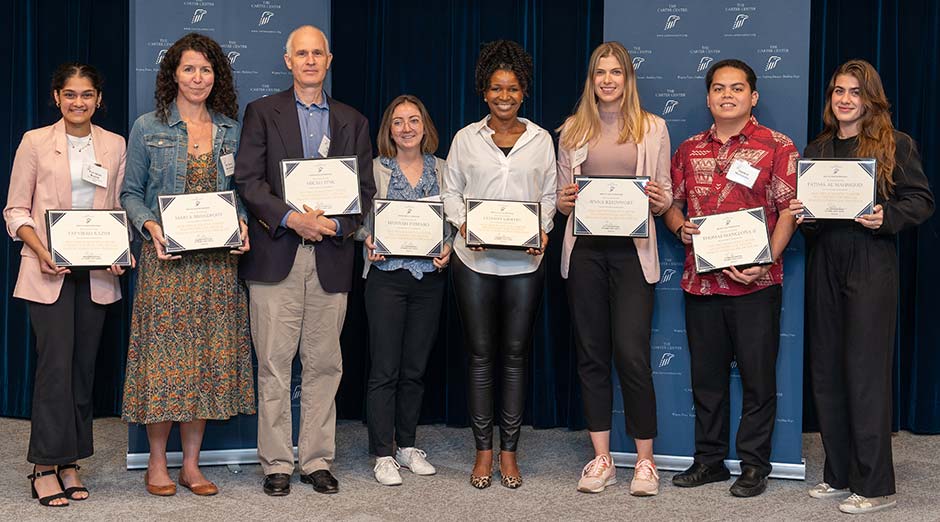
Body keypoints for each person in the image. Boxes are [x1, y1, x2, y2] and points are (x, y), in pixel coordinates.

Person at [233, 25, 375, 497]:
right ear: (288, 60)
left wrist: (335, 226)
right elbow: (249, 182)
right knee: (273, 363)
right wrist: (294, 219)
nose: (310, 60)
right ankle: (276, 462)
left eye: (318, 53)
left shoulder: (352, 119)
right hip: (278, 256)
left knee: (324, 365)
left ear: (328, 60)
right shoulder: (261, 113)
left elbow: (365, 192)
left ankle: (316, 459)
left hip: (331, 258)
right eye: (302, 54)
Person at [791, 59, 933, 515]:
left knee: (866, 375)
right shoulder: (819, 147)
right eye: (838, 91)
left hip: (871, 260)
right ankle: (839, 474)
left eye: (854, 92)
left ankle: (875, 485)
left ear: (871, 99)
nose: (844, 99)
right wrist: (804, 217)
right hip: (826, 261)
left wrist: (886, 217)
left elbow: (920, 200)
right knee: (827, 371)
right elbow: (812, 219)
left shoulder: (895, 145)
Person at [120, 32, 254, 497]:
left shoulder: (232, 130)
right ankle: (157, 462)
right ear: (173, 75)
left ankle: (191, 466)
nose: (198, 78)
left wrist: (241, 224)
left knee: (204, 365)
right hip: (166, 264)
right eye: (189, 69)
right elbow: (129, 195)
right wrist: (151, 227)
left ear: (217, 77)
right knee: (164, 365)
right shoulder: (147, 128)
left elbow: (242, 195)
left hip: (216, 270)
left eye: (206, 69)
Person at [662, 59, 799, 497]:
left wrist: (767, 259)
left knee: (759, 380)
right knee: (706, 380)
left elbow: (789, 212)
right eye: (719, 88)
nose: (727, 95)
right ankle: (709, 461)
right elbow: (670, 204)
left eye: (737, 88)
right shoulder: (687, 149)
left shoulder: (777, 146)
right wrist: (678, 225)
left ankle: (755, 466)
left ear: (753, 96)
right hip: (700, 285)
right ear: (707, 98)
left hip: (757, 285)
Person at [4, 63, 128, 507]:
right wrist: (42, 251)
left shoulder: (114, 144)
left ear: (98, 99)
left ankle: (71, 461)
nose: (79, 102)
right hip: (46, 270)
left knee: (82, 368)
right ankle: (43, 466)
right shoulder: (35, 142)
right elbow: (15, 210)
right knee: (53, 367)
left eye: (87, 95)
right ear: (57, 97)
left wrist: (120, 252)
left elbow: (117, 208)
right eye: (70, 94)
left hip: (95, 273)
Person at [555, 42, 671, 496]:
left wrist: (661, 201)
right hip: (585, 253)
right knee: (591, 355)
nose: (607, 79)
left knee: (633, 356)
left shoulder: (653, 128)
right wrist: (566, 201)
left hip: (632, 254)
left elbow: (663, 197)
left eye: (616, 72)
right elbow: (565, 195)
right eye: (600, 72)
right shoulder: (570, 129)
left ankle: (645, 462)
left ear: (628, 79)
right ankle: (601, 457)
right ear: (591, 79)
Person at [442, 39, 556, 490]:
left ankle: (509, 452)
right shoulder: (465, 139)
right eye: (495, 88)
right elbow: (451, 191)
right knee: (480, 356)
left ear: (523, 92)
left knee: (514, 356)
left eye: (512, 89)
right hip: (474, 260)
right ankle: (482, 452)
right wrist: (466, 224)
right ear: (483, 92)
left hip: (525, 263)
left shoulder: (542, 139)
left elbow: (549, 195)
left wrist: (543, 227)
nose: (503, 96)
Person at [360, 94, 452, 486]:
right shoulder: (374, 169)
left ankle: (407, 447)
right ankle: (383, 453)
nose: (407, 128)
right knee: (385, 369)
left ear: (425, 126)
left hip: (428, 278)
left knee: (414, 369)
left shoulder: (444, 169)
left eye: (414, 120)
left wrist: (449, 244)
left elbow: (454, 217)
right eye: (398, 121)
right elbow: (355, 218)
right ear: (389, 130)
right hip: (386, 277)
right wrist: (365, 238)